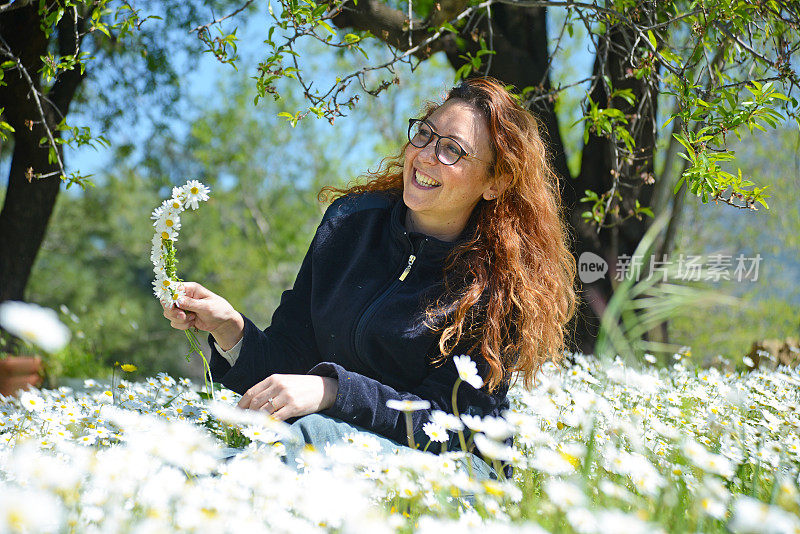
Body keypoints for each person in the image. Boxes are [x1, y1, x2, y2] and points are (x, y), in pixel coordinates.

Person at [163, 76, 577, 476]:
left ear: (496, 182)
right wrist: (232, 332)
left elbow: (453, 428)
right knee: (184, 454)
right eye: (425, 134)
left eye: (452, 149)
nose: (427, 155)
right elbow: (288, 364)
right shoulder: (348, 224)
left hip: (452, 474)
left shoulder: (500, 285)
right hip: (325, 449)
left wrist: (333, 392)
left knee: (304, 438)